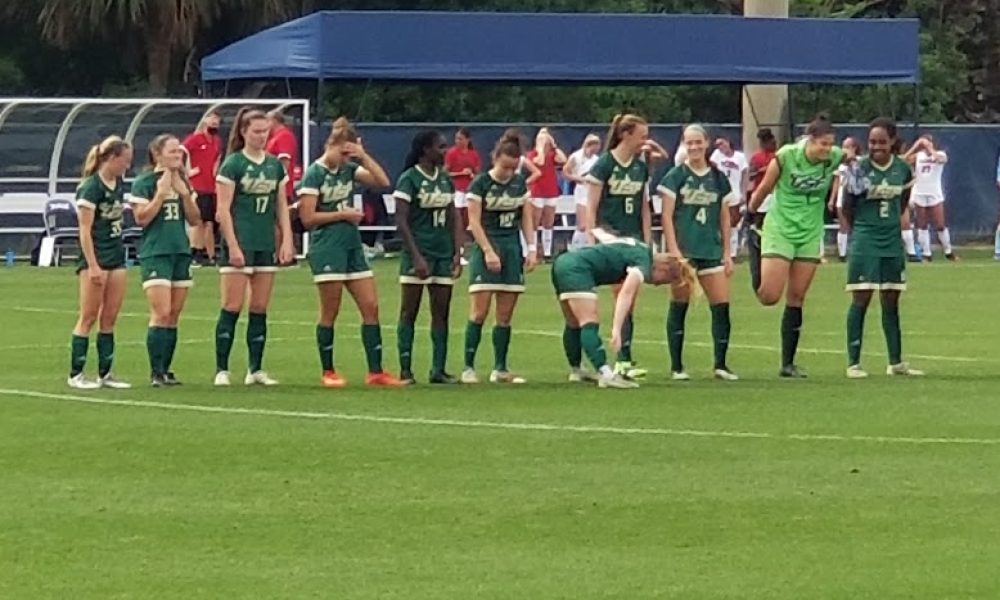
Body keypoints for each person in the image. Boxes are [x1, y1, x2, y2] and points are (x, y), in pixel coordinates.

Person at [296, 117, 402, 388]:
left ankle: (376, 371)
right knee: (331, 310)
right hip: (327, 246)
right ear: (330, 145)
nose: (345, 158)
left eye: (349, 153)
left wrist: (363, 156)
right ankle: (328, 370)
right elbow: (307, 218)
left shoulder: (349, 169)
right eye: (342, 152)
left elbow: (382, 181)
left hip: (351, 244)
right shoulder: (315, 173)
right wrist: (340, 214)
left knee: (371, 306)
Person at [749, 115, 852, 378]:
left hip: (809, 231)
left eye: (830, 144)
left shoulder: (834, 156)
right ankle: (756, 247)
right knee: (769, 296)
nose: (827, 149)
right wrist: (751, 211)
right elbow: (765, 187)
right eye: (822, 144)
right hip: (781, 228)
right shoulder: (787, 156)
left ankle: (788, 362)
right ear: (809, 140)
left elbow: (852, 157)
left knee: (797, 296)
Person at [213, 107, 295, 387]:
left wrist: (286, 240)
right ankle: (222, 369)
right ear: (243, 132)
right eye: (257, 131)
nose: (262, 136)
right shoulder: (233, 164)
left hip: (263, 242)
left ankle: (255, 369)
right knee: (232, 305)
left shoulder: (274, 165)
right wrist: (233, 246)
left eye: (265, 132)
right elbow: (222, 210)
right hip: (241, 241)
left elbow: (281, 206)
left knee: (259, 306)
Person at [552, 236, 694, 389]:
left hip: (563, 262)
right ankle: (605, 374)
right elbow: (626, 293)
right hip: (577, 269)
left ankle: (577, 369)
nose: (657, 285)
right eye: (664, 280)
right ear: (663, 269)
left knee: (573, 321)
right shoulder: (643, 262)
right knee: (588, 321)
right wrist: (616, 329)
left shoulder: (639, 248)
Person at [842, 117, 924, 378]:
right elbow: (846, 207)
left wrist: (889, 226)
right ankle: (854, 362)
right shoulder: (860, 168)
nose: (876, 146)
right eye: (872, 142)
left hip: (891, 240)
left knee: (891, 298)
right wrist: (863, 229)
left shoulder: (903, 169)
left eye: (881, 142)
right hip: (866, 239)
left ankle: (896, 362)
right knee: (861, 297)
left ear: (892, 141)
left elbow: (903, 202)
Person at [659, 125, 738, 381]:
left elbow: (725, 218)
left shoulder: (717, 178)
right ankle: (677, 366)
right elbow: (667, 216)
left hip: (710, 248)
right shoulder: (676, 176)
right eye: (688, 143)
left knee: (721, 305)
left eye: (698, 142)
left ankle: (721, 364)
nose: (693, 147)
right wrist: (673, 251)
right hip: (685, 250)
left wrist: (728, 252)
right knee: (680, 304)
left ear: (706, 144)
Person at [460, 130, 537, 385]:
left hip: (511, 248)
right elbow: (473, 221)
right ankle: (469, 367)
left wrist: (532, 248)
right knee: (479, 312)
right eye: (504, 167)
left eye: (513, 168)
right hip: (488, 248)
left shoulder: (518, 184)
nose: (508, 173)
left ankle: (500, 368)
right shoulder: (481, 183)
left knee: (505, 314)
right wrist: (487, 251)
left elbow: (525, 217)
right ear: (496, 159)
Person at [129, 135, 201, 387]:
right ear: (157, 154)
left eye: (179, 152)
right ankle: (155, 371)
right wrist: (160, 195)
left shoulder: (184, 182)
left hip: (179, 250)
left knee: (173, 314)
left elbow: (194, 220)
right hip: (155, 252)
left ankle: (167, 369)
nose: (177, 156)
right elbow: (141, 218)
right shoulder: (144, 182)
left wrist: (183, 195)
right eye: (172, 152)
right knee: (160, 312)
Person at [586, 113, 652, 380]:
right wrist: (592, 237)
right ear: (626, 135)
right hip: (609, 236)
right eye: (642, 136)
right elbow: (591, 204)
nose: (645, 142)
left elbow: (644, 206)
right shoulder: (604, 164)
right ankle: (619, 357)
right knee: (620, 294)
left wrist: (647, 240)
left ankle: (624, 358)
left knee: (630, 299)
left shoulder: (640, 166)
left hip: (633, 236)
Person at [393, 130, 463, 385]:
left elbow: (454, 216)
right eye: (441, 147)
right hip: (418, 253)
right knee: (409, 311)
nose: (445, 152)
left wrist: (458, 252)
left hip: (442, 253)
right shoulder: (409, 179)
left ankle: (438, 369)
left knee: (441, 312)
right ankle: (405, 370)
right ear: (425, 150)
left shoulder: (444, 180)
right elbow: (400, 219)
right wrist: (416, 256)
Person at [67, 136, 133, 390]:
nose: (126, 167)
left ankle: (106, 373)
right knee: (88, 316)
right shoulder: (91, 187)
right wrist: (92, 265)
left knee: (110, 317)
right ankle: (76, 373)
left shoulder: (118, 183)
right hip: (96, 257)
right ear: (111, 158)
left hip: (116, 255)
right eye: (124, 162)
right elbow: (84, 229)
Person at [905, 134, 957, 261]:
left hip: (934, 193)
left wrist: (929, 148)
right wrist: (916, 145)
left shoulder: (941, 154)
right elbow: (904, 160)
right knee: (922, 224)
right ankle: (926, 254)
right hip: (920, 193)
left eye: (928, 142)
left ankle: (948, 251)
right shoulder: (918, 156)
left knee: (940, 224)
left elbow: (939, 159)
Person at [182, 110, 222, 266]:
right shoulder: (195, 139)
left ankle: (210, 255)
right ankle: (195, 251)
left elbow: (217, 158)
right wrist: (188, 172)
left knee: (210, 222)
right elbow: (182, 151)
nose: (214, 125)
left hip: (211, 187)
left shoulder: (217, 141)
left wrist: (215, 173)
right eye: (212, 121)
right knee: (199, 221)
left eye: (217, 122)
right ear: (205, 122)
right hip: (198, 186)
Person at [526, 127, 567, 261]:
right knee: (534, 223)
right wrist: (540, 148)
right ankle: (531, 250)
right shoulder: (532, 154)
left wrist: (553, 146)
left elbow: (563, 159)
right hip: (537, 191)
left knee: (548, 222)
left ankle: (547, 252)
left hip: (551, 192)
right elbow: (540, 162)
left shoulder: (552, 155)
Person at [747, 128, 778, 291]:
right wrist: (764, 170)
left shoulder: (778, 156)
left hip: (775, 197)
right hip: (761, 197)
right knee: (758, 234)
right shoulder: (757, 157)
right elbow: (751, 175)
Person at [709, 136, 749, 260]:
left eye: (722, 143)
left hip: (735, 193)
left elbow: (745, 173)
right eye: (718, 145)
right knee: (718, 222)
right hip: (720, 193)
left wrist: (743, 192)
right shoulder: (716, 156)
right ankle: (719, 250)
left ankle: (732, 252)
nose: (721, 147)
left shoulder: (739, 157)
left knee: (733, 223)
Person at [444, 127, 482, 256]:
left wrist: (472, 175)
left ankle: (466, 249)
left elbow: (478, 173)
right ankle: (457, 251)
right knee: (457, 220)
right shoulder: (452, 153)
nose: (457, 141)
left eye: (460, 138)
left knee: (468, 221)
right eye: (456, 138)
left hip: (469, 191)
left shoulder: (474, 154)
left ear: (467, 140)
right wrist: (460, 173)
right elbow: (445, 172)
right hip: (457, 191)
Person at [562, 133, 601, 251]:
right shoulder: (576, 157)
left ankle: (588, 247)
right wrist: (578, 179)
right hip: (581, 192)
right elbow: (565, 172)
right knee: (582, 224)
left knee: (591, 223)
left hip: (592, 192)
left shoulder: (597, 160)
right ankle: (574, 248)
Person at [827, 137, 861, 262]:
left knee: (857, 226)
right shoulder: (839, 164)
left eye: (847, 146)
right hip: (842, 197)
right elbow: (836, 182)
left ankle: (857, 251)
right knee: (843, 226)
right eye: (843, 146)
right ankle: (842, 254)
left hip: (855, 197)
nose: (844, 149)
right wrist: (832, 199)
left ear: (854, 148)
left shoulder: (860, 161)